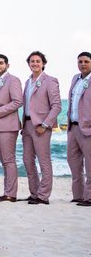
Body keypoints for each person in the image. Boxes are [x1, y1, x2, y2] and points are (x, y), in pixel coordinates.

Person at [21, 51, 61, 205]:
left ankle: (43, 196)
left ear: (43, 63)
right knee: (27, 160)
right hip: (27, 125)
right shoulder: (27, 82)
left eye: (38, 61)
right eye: (32, 61)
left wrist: (45, 125)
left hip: (41, 126)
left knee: (44, 161)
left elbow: (57, 106)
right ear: (29, 64)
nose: (35, 63)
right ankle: (34, 193)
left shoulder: (50, 81)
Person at [0, 54, 23, 203]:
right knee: (4, 161)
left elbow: (18, 101)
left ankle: (10, 194)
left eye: (1, 63)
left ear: (7, 65)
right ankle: (7, 192)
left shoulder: (12, 80)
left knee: (9, 160)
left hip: (7, 126)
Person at [67, 51, 91, 207]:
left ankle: (89, 198)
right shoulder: (75, 78)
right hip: (73, 127)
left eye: (86, 61)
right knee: (74, 162)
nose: (82, 64)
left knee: (90, 164)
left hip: (88, 129)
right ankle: (78, 195)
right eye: (80, 61)